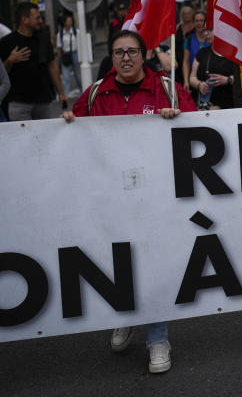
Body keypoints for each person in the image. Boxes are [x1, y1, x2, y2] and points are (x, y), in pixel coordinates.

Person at [63, 30, 194, 375]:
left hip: (154, 194)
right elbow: (72, 141)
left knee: (149, 263)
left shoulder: (166, 89)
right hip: (109, 196)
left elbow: (197, 128)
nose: (125, 58)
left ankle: (158, 337)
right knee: (115, 261)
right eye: (119, 52)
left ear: (143, 54)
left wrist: (178, 116)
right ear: (112, 57)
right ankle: (125, 314)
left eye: (132, 51)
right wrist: (67, 125)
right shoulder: (94, 95)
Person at [0, 2, 67, 120]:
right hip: (19, 103)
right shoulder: (7, 42)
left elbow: (52, 66)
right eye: (37, 18)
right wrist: (10, 60)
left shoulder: (44, 37)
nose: (41, 21)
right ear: (24, 20)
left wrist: (61, 93)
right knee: (23, 138)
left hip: (44, 101)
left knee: (45, 137)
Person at [188, 29, 236, 109]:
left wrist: (228, 80)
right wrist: (199, 84)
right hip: (206, 107)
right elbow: (192, 78)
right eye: (204, 31)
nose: (206, 33)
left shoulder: (234, 52)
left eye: (210, 30)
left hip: (229, 106)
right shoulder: (202, 52)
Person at [182, 10, 210, 93]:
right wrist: (186, 81)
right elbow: (186, 62)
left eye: (201, 20)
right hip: (194, 80)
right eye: (196, 21)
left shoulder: (211, 39)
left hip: (210, 79)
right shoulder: (189, 39)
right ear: (193, 23)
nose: (199, 23)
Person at [56, 13, 82, 97]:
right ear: (64, 22)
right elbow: (59, 48)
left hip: (75, 54)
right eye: (69, 21)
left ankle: (83, 91)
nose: (71, 22)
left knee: (78, 75)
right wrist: (58, 61)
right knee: (65, 77)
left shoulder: (76, 31)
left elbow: (81, 44)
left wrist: (81, 57)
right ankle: (65, 95)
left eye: (71, 20)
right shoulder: (60, 34)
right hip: (65, 56)